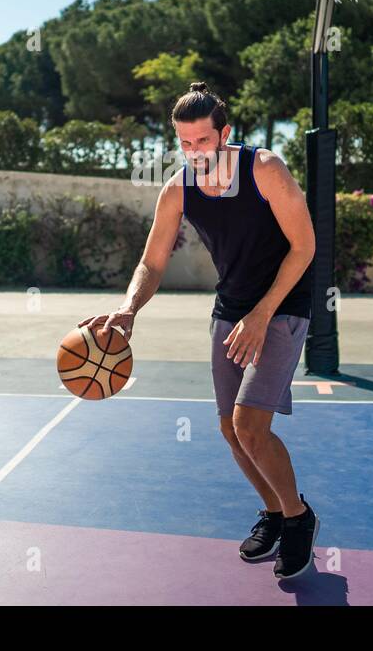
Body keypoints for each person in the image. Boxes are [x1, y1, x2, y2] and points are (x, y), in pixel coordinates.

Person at [80, 82, 319, 579]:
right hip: (231, 308)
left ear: (224, 134)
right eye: (184, 144)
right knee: (230, 430)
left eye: (202, 142)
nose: (193, 153)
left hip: (283, 304)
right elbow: (152, 261)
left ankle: (298, 518)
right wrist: (128, 310)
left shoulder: (265, 169)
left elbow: (304, 247)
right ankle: (273, 512)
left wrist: (262, 314)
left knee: (251, 425)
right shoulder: (179, 189)